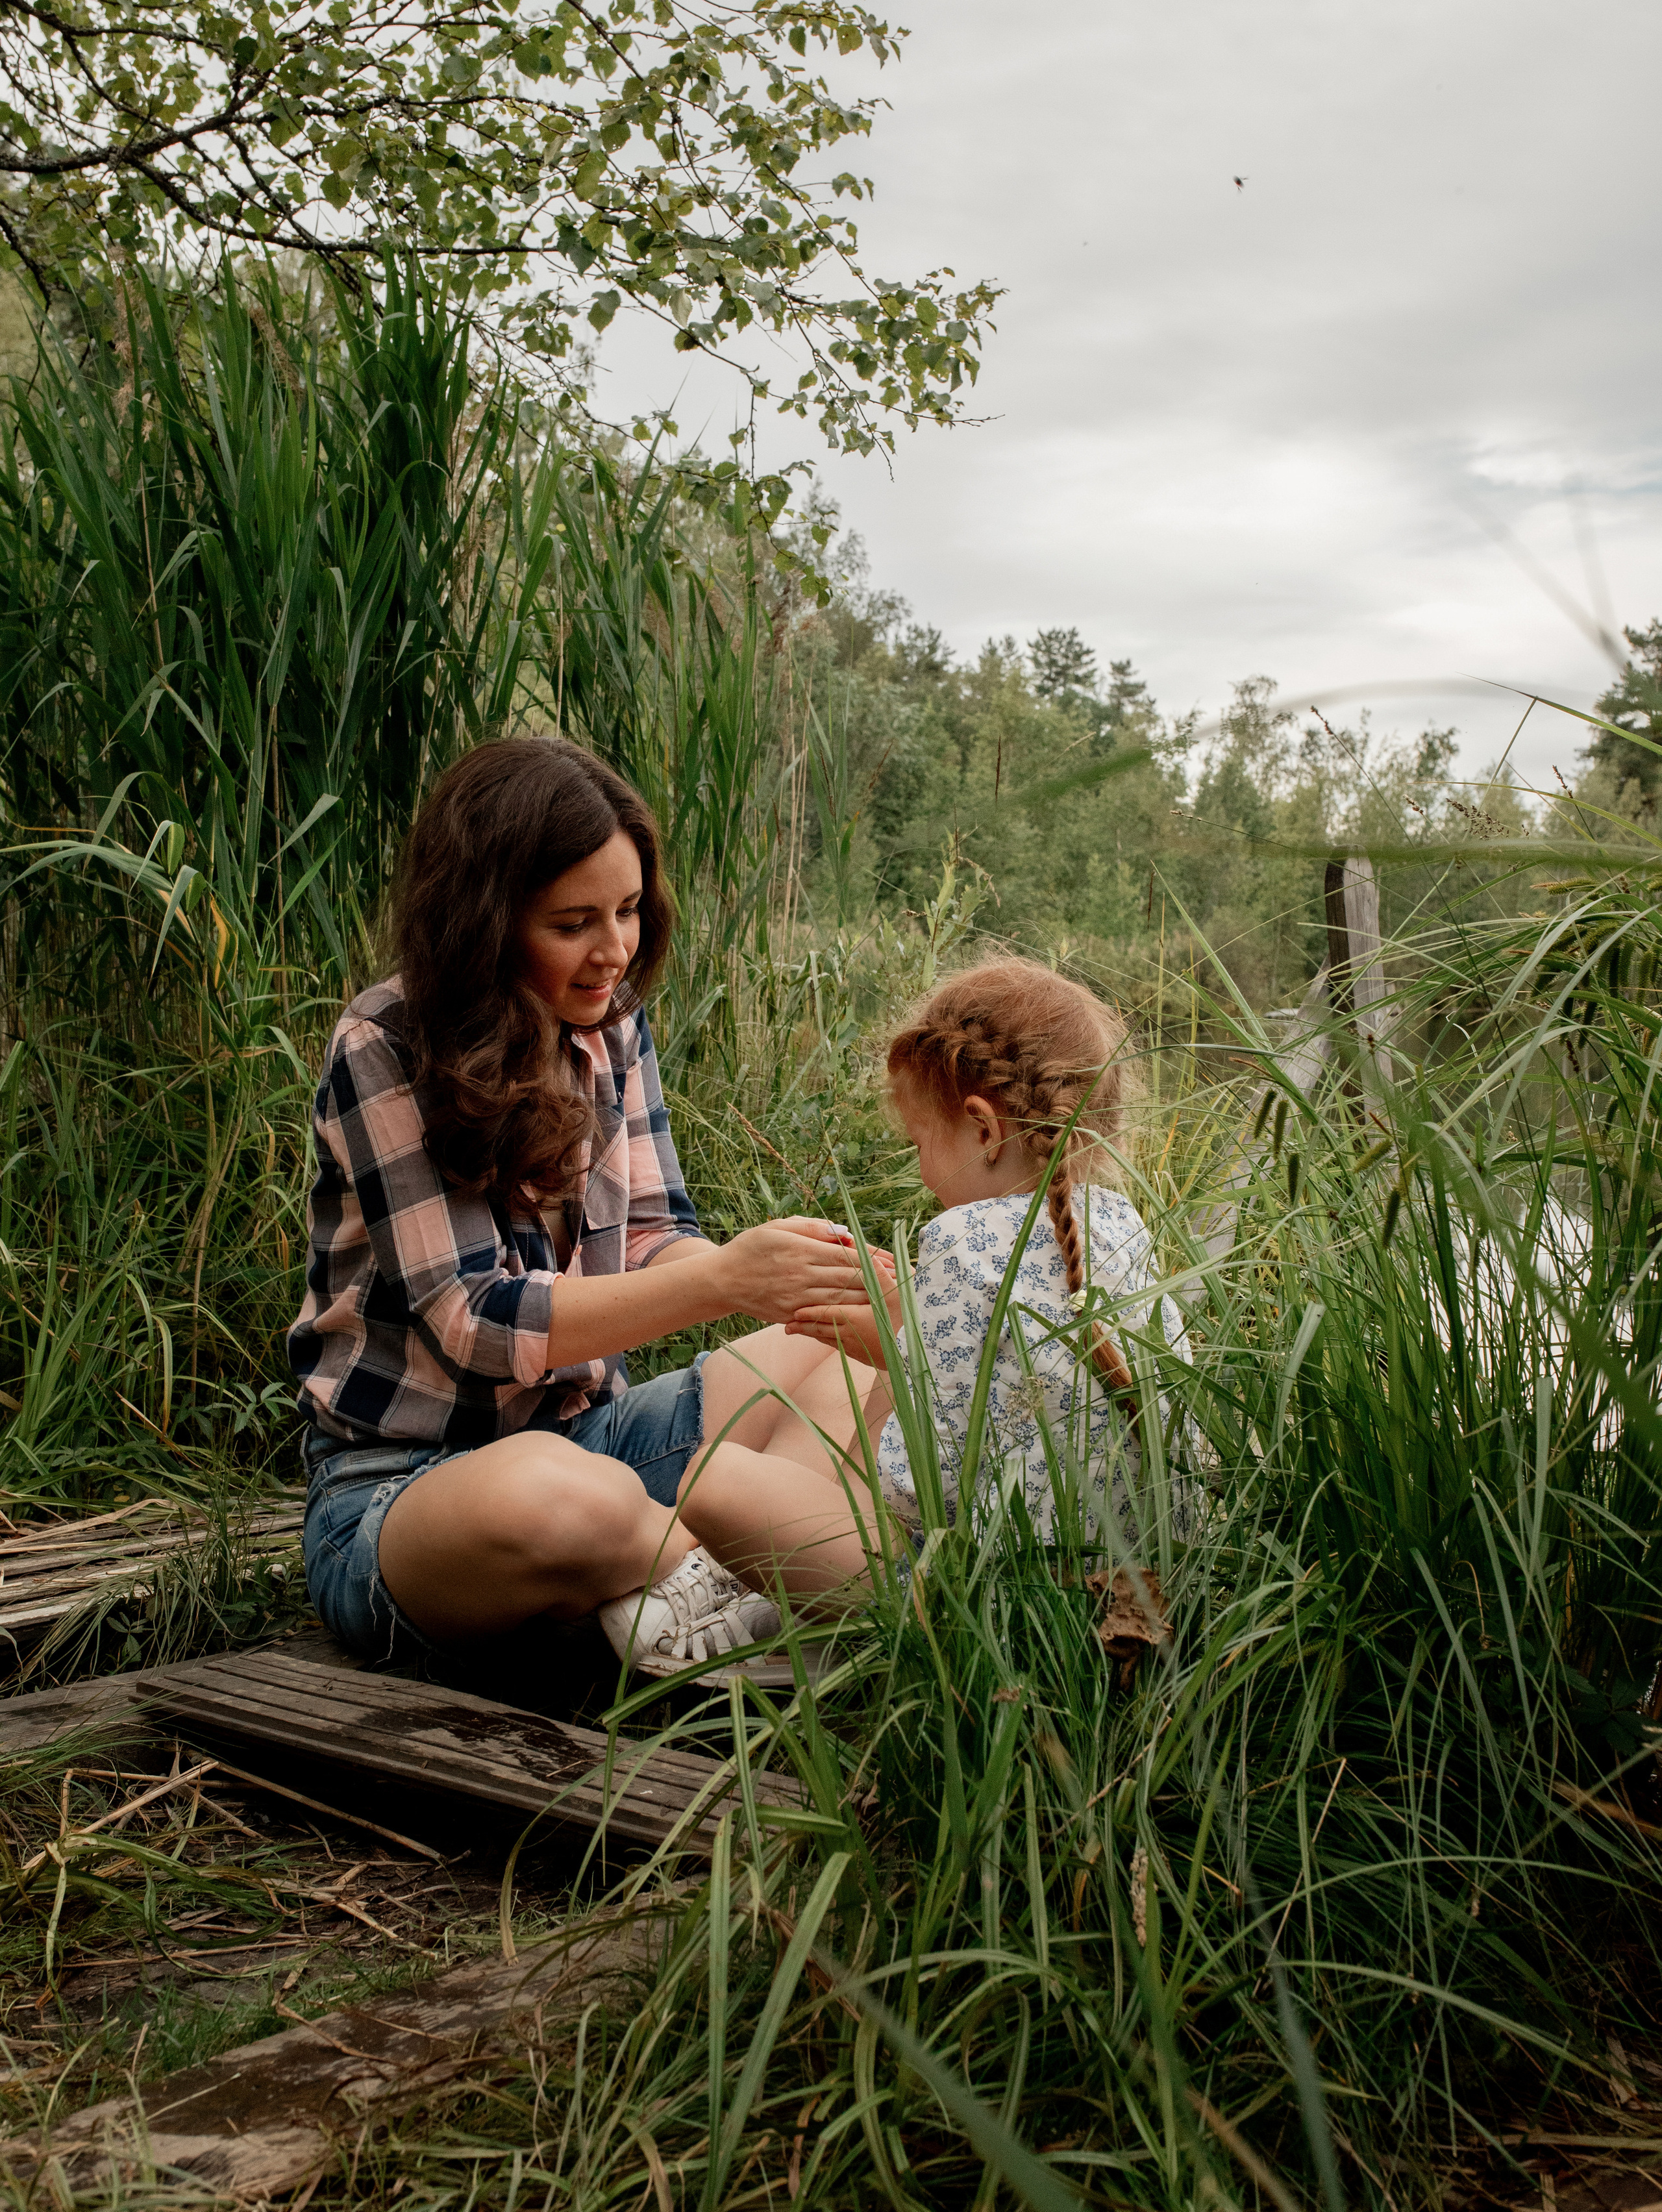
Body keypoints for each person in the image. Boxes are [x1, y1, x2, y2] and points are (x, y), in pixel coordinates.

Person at [290, 736, 880, 1674]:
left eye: (631, 909)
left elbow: (651, 1237)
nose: (615, 951)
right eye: (573, 922)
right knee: (560, 1495)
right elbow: (474, 1319)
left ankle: (688, 1595)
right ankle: (751, 1583)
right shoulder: (385, 1042)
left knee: (823, 1340)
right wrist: (728, 1279)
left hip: (589, 1435)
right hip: (404, 1492)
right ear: (486, 922)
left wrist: (782, 1282)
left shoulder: (611, 1025)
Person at [649, 960, 1184, 1637]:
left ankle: (794, 1616)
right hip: (1122, 1587)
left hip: (976, 1599)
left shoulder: (961, 1245)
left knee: (713, 1480)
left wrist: (894, 1352)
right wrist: (913, 1323)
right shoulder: (1118, 1226)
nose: (922, 1170)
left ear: (984, 1130)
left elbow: (896, 1488)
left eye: (919, 1144)